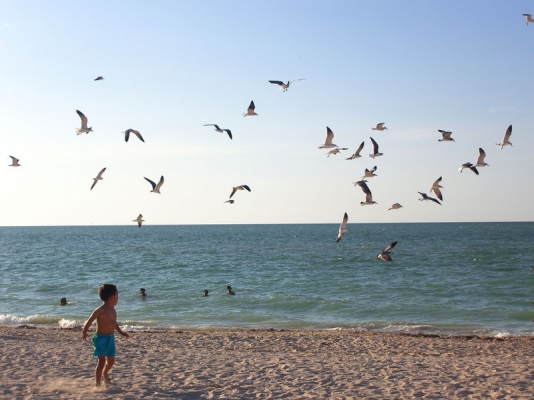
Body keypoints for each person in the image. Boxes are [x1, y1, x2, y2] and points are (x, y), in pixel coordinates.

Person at [81, 284, 129, 388]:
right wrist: (84, 331)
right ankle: (97, 384)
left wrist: (121, 332)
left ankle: (105, 373)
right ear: (112, 297)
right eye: (117, 295)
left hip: (110, 338)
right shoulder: (100, 310)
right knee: (102, 360)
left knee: (111, 361)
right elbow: (90, 319)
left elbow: (114, 324)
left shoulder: (113, 310)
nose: (118, 298)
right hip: (100, 338)